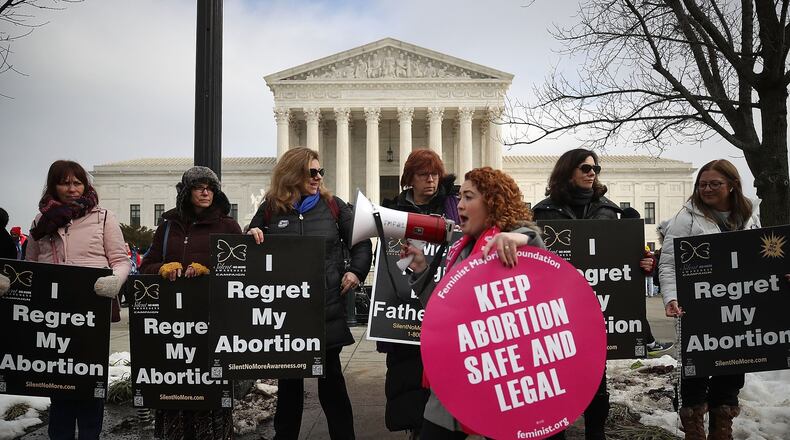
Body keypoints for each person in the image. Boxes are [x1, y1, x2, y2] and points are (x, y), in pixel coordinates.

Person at [401, 166, 545, 439]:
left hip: (502, 376)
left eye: (469, 197)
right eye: (459, 197)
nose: (459, 205)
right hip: (457, 374)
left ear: (493, 201)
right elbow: (442, 308)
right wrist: (421, 268)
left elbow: (534, 247)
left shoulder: (509, 241)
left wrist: (520, 237)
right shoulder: (462, 247)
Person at [246, 147, 373, 440]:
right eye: (311, 172)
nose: (317, 177)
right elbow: (250, 247)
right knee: (289, 382)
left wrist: (356, 271)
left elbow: (362, 240)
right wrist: (251, 236)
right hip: (285, 312)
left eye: (320, 172)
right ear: (293, 174)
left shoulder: (333, 206)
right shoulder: (269, 208)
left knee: (331, 381)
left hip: (324, 307)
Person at [0, 160, 131, 439]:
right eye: (64, 182)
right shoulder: (41, 221)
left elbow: (121, 260)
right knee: (58, 378)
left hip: (91, 309)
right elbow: (31, 266)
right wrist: (11, 282)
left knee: (88, 377)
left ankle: (89, 434)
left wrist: (115, 282)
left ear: (85, 185)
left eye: (77, 182)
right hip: (53, 311)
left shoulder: (103, 217)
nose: (72, 188)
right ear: (53, 186)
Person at [531, 148, 654, 440]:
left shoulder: (610, 211)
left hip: (598, 314)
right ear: (567, 171)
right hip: (556, 315)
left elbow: (624, 260)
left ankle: (595, 433)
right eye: (585, 168)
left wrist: (644, 263)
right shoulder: (542, 213)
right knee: (555, 382)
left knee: (596, 384)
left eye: (595, 169)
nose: (591, 173)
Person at [658, 159, 760, 440]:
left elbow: (761, 259)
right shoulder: (686, 217)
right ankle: (693, 428)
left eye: (715, 183)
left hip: (738, 306)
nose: (707, 189)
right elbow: (668, 263)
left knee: (733, 364)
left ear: (732, 186)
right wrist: (671, 297)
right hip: (697, 307)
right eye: (702, 184)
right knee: (696, 369)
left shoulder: (749, 217)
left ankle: (722, 427)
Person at [139, 166, 242, 439]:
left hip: (212, 322)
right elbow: (145, 265)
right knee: (175, 388)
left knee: (210, 391)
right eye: (199, 187)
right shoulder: (167, 227)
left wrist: (208, 268)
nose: (206, 192)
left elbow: (241, 270)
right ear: (187, 192)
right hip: (173, 326)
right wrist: (161, 268)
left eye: (210, 187)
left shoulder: (228, 226)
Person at [378, 149, 461, 438]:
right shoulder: (394, 210)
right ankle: (416, 428)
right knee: (409, 377)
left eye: (435, 174)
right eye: (423, 174)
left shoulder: (454, 205)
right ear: (409, 179)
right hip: (406, 313)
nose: (431, 180)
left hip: (444, 309)